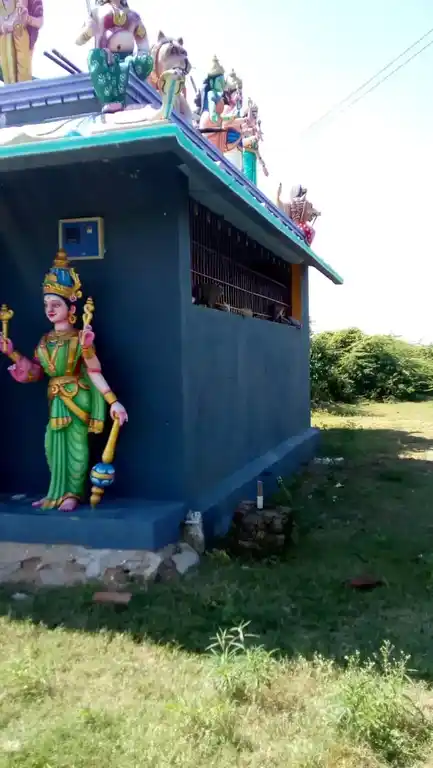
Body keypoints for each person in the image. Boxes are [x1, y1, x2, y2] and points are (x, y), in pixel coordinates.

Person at [0, 249, 128, 512]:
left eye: (55, 304)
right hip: (55, 399)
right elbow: (36, 372)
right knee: (52, 446)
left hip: (75, 400)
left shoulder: (80, 338)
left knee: (77, 448)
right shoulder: (45, 341)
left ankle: (72, 493)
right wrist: (11, 352)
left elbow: (94, 371)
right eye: (46, 304)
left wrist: (113, 402)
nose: (49, 309)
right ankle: (55, 493)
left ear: (71, 308)